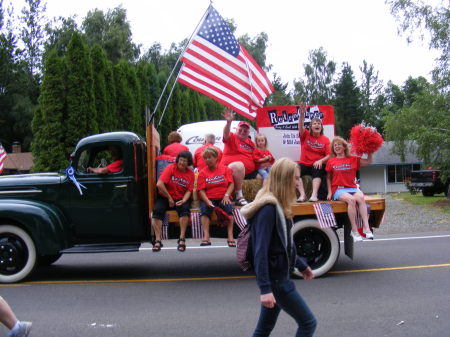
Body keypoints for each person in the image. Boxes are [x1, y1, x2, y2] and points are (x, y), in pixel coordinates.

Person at [240, 158, 317, 337]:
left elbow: (282, 245)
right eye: (296, 178)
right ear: (284, 179)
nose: (298, 183)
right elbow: (260, 251)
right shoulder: (268, 209)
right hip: (277, 281)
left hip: (279, 276)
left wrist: (301, 265)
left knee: (263, 329)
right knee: (308, 323)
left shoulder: (277, 204)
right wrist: (265, 289)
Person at [325, 136, 374, 242]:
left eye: (339, 144)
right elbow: (328, 178)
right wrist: (329, 192)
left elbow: (369, 161)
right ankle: (354, 230)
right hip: (338, 189)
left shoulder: (353, 159)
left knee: (361, 198)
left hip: (352, 188)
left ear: (344, 147)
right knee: (351, 200)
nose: (336, 146)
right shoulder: (331, 161)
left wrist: (370, 149)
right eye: (335, 145)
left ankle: (366, 228)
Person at [151, 151, 195, 252]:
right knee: (156, 211)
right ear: (177, 160)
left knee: (184, 211)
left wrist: (183, 200)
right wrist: (169, 198)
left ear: (188, 163)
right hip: (165, 196)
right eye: (180, 160)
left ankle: (182, 238)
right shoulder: (170, 168)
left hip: (180, 198)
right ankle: (158, 240)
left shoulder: (191, 174)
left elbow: (189, 190)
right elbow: (160, 184)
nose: (182, 162)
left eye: (185, 161)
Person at [197, 147, 235, 247]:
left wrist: (227, 195)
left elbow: (231, 184)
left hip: (223, 196)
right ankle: (206, 236)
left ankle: (230, 236)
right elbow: (201, 190)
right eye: (205, 158)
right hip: (209, 197)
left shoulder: (225, 169)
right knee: (204, 210)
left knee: (229, 209)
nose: (207, 160)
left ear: (216, 157)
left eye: (209, 157)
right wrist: (207, 201)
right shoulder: (202, 173)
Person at [221, 108, 256, 206]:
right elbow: (226, 134)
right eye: (241, 129)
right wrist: (228, 123)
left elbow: (255, 157)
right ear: (236, 129)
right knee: (239, 165)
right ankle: (239, 196)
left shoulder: (251, 144)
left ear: (249, 133)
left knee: (263, 175)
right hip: (230, 169)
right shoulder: (232, 137)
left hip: (247, 173)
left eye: (245, 130)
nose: (243, 131)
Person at [296, 104, 330, 202]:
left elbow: (330, 155)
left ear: (321, 127)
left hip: (316, 165)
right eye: (314, 123)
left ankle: (314, 195)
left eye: (319, 124)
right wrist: (302, 114)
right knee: (294, 170)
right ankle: (302, 195)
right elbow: (300, 126)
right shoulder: (306, 135)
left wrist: (321, 160)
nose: (317, 125)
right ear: (311, 127)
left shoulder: (325, 139)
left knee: (318, 168)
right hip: (304, 163)